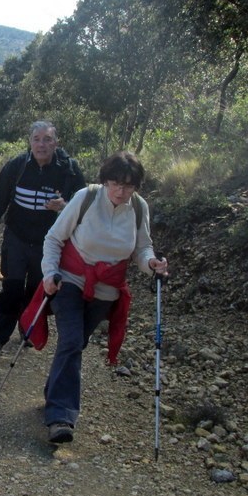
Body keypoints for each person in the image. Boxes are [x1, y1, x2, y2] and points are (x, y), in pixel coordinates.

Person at [37, 151, 169, 444]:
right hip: (69, 279)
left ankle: (53, 392)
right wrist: (49, 274)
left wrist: (152, 265)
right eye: (115, 183)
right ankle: (61, 417)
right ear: (105, 180)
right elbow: (54, 238)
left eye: (128, 185)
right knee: (70, 340)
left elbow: (142, 248)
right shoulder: (86, 198)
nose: (121, 191)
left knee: (76, 344)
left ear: (136, 186)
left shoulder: (138, 208)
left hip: (106, 290)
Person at [0, 120, 85, 363]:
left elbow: (85, 207)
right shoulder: (17, 166)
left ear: (56, 143)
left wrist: (65, 207)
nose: (41, 144)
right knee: (11, 289)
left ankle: (28, 329)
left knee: (37, 290)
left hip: (50, 245)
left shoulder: (69, 170)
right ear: (30, 142)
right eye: (37, 139)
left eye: (47, 139)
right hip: (16, 239)